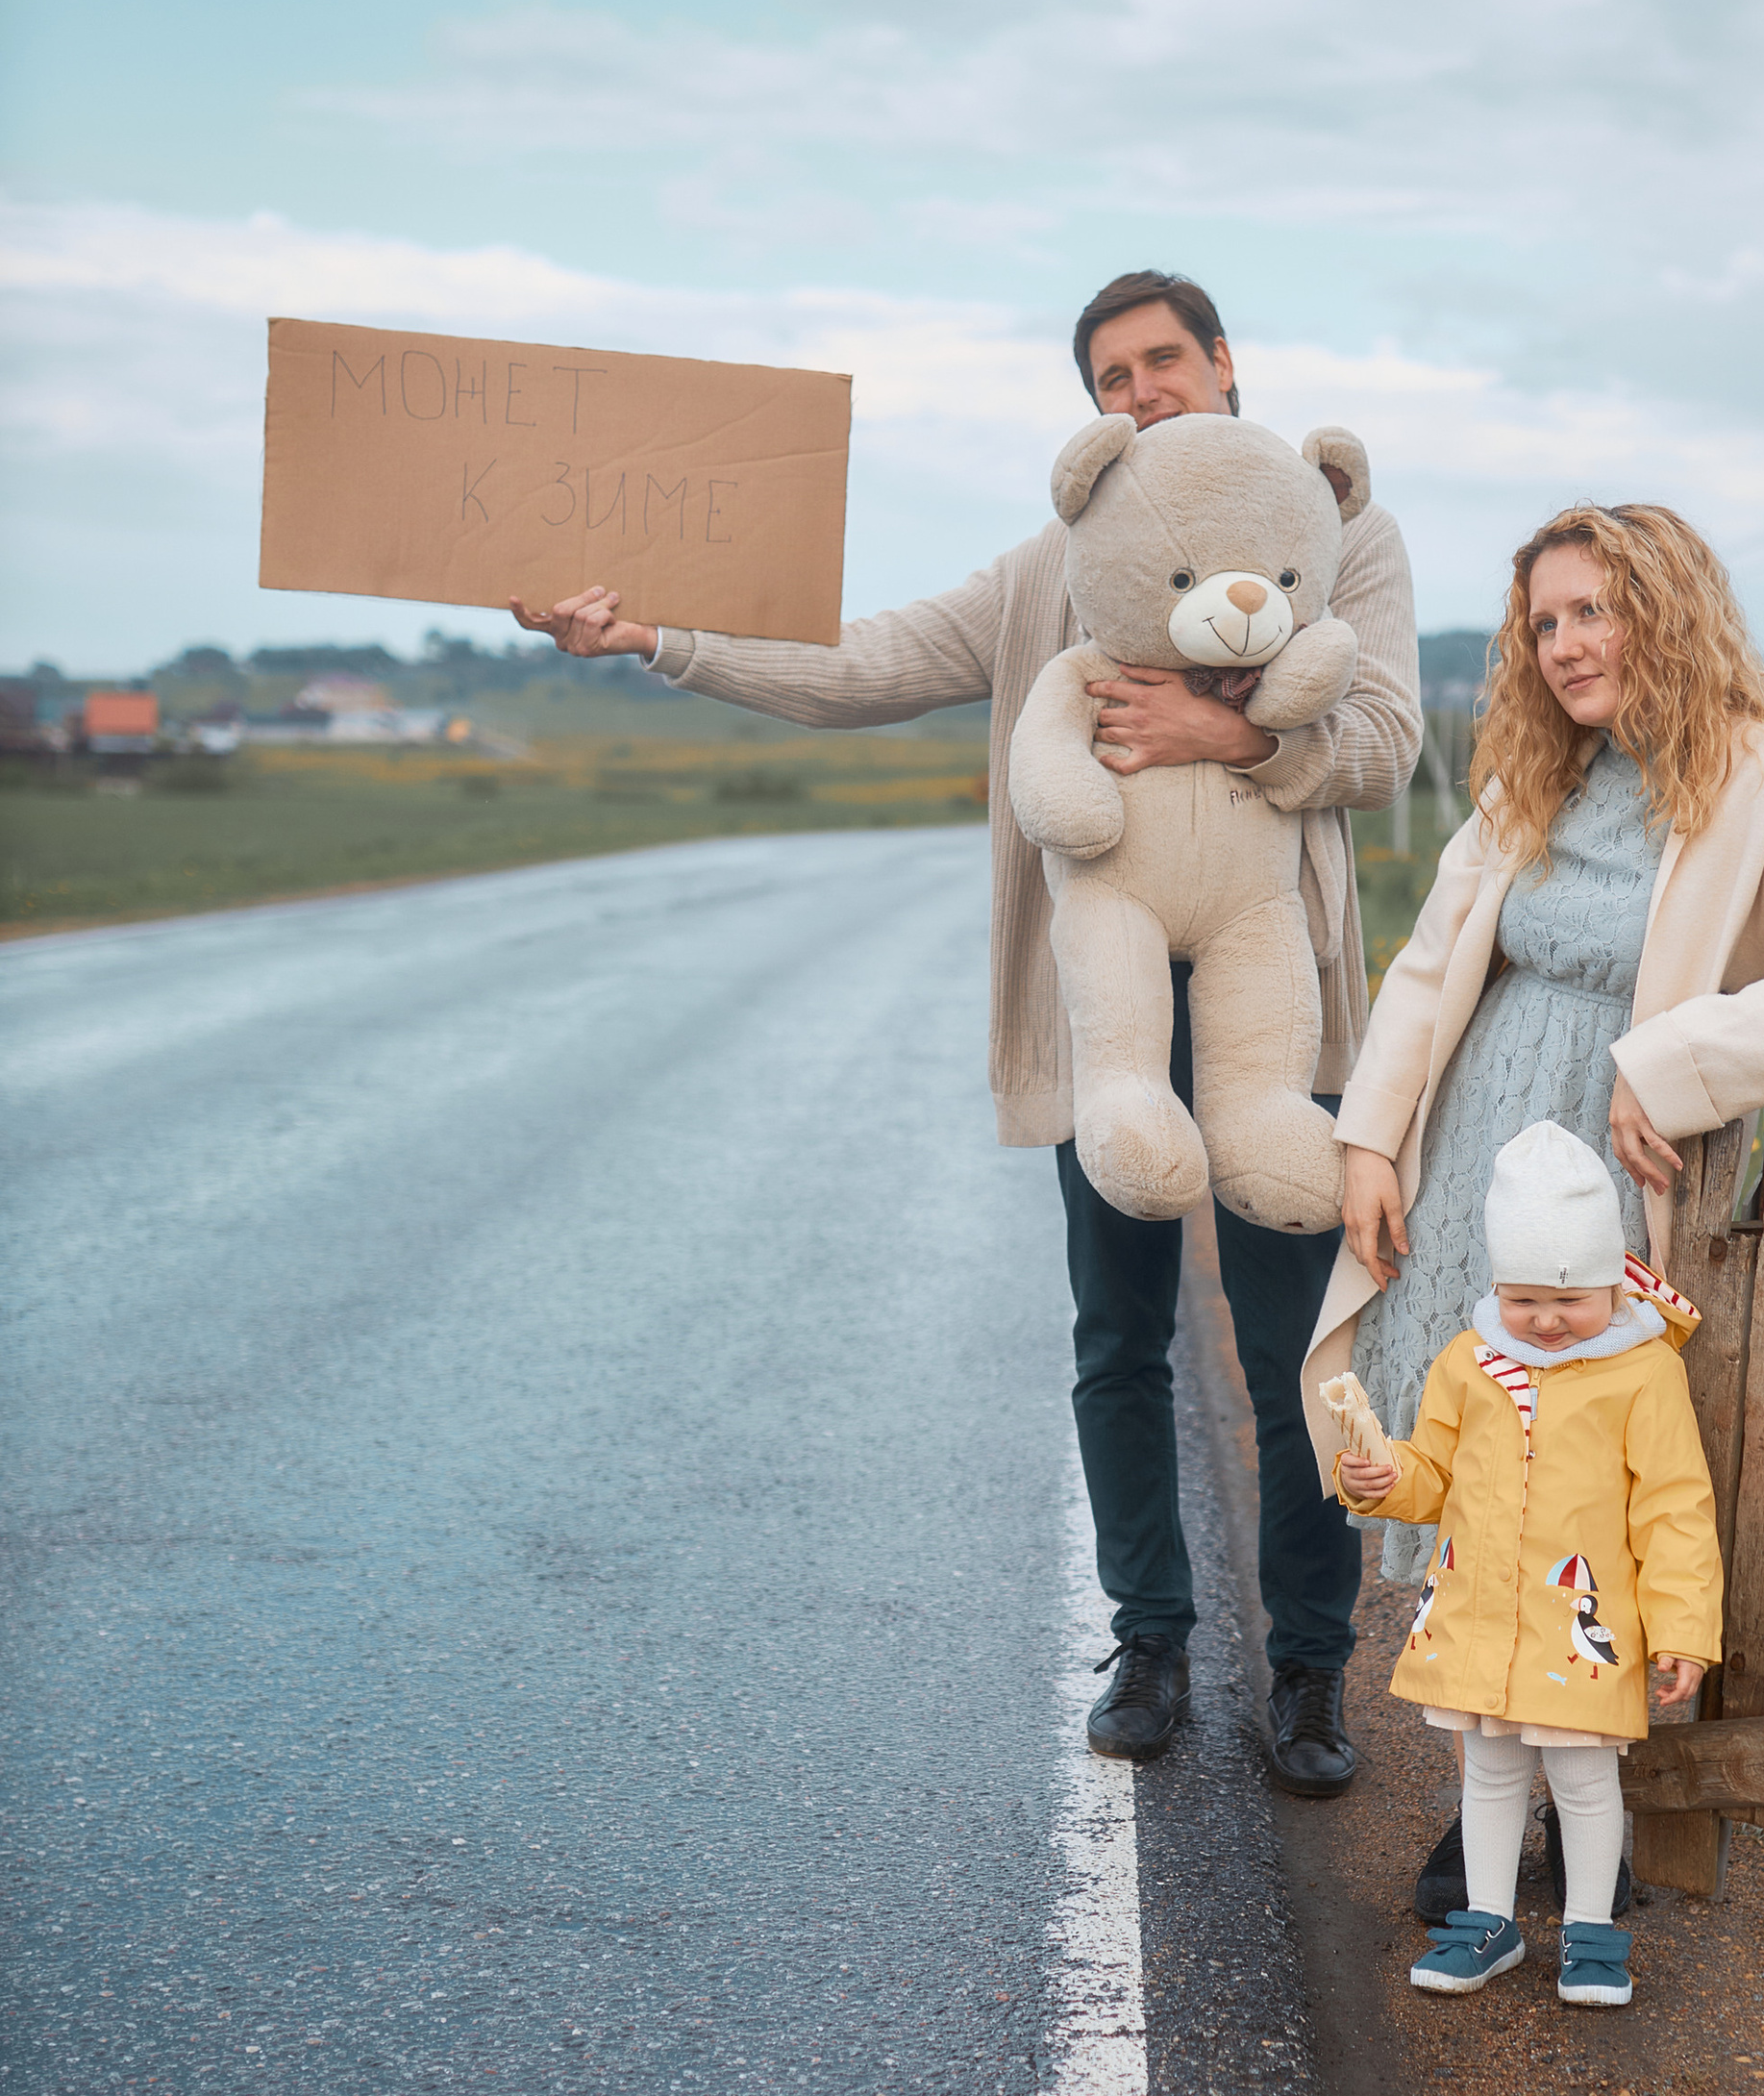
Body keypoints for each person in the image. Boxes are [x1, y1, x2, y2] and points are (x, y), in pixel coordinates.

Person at [514, 270, 1420, 1795]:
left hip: (1282, 1010)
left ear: (1225, 364)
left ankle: (1314, 1672)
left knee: (1299, 1349)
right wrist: (661, 639)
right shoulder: (1058, 563)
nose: (1141, 395)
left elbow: (1386, 741)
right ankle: (1150, 1641)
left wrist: (1235, 732)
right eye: (1111, 381)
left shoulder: (1343, 535)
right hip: (1104, 1015)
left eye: (1161, 364)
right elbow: (861, 666)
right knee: (1119, 1337)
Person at [1303, 499, 1764, 1911]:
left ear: (1668, 611)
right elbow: (1433, 962)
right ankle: (1489, 1811)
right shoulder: (1538, 775)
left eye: (1595, 611)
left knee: (1588, 1484)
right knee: (1481, 1479)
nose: (1567, 646)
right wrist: (1374, 1142)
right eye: (1546, 621)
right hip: (1470, 1173)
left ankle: (1581, 1828)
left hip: (1618, 1184)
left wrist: (1669, 1061)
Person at [1333, 1122, 1721, 2009]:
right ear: (1496, 1285)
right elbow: (1434, 1477)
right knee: (1490, 1771)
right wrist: (1383, 1477)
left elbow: (1674, 1508)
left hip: (1577, 1630)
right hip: (1481, 1617)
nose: (1546, 1320)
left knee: (1585, 1782)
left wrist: (1683, 1630)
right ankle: (1489, 1920)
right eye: (1524, 1299)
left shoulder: (1641, 1374)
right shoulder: (1469, 1363)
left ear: (1610, 1283)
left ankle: (1590, 1932)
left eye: (1570, 1299)